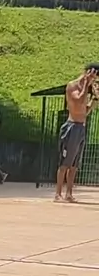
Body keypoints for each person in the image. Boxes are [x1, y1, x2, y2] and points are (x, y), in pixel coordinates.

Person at [55, 64, 99, 203]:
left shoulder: (87, 90)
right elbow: (78, 100)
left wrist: (95, 99)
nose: (94, 80)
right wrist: (86, 83)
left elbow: (84, 111)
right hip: (71, 127)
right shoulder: (72, 86)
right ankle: (58, 194)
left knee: (74, 165)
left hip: (81, 127)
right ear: (88, 73)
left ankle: (69, 193)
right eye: (93, 77)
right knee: (65, 163)